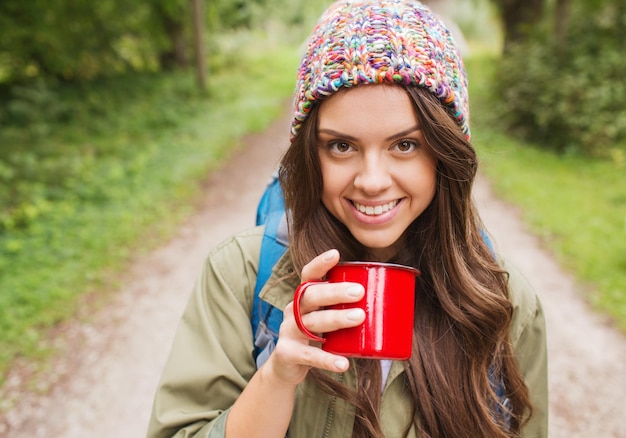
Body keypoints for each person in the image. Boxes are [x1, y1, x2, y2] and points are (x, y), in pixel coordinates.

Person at [146, 0, 548, 437]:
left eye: (405, 145)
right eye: (341, 146)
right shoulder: (241, 275)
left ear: (445, 154)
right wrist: (277, 377)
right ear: (310, 155)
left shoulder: (503, 304)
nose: (372, 181)